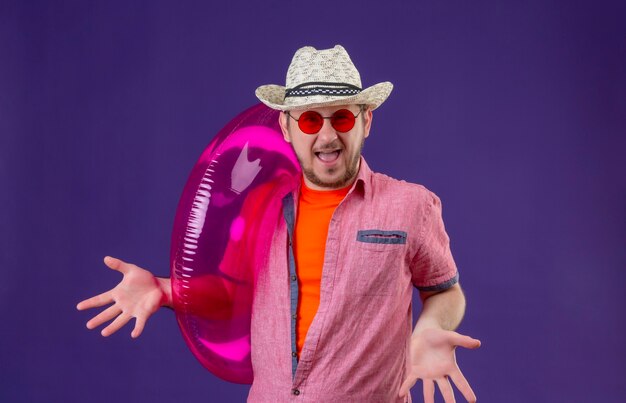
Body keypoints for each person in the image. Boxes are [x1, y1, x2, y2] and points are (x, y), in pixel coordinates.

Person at [77, 45, 481, 403]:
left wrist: (430, 329)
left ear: (365, 122)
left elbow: (447, 292)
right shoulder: (262, 207)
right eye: (309, 121)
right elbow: (231, 293)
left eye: (340, 118)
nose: (327, 135)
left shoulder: (410, 204)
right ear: (286, 126)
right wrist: (165, 289)